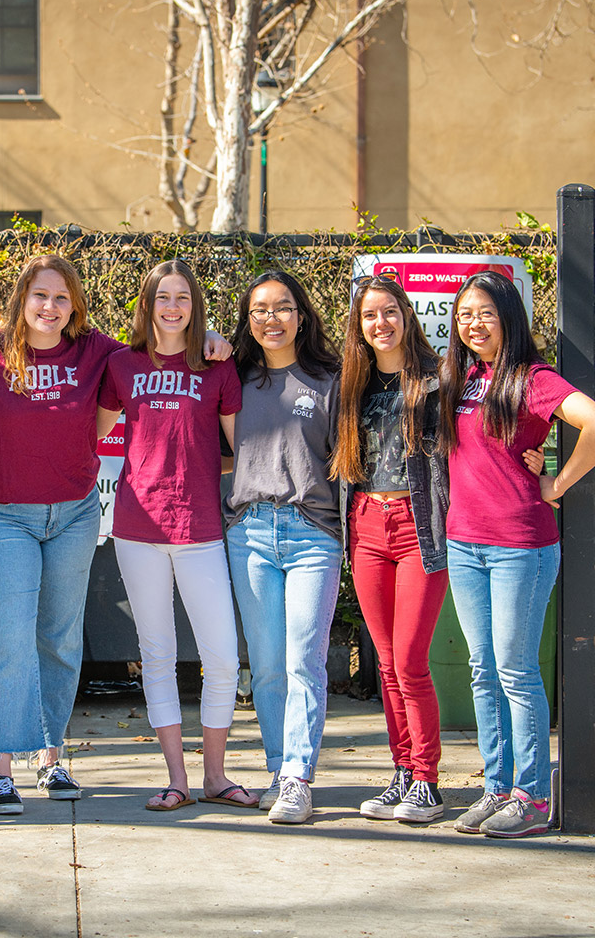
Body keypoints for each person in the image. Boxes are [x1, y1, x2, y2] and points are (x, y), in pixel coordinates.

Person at [0, 253, 231, 815]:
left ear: (75, 304)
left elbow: (161, 344)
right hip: (6, 514)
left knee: (59, 638)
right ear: (20, 300)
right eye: (39, 296)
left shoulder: (99, 351)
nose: (49, 308)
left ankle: (51, 759)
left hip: (76, 513)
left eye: (60, 298)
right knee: (9, 638)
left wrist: (216, 336)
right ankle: (1, 768)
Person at [96, 260, 256, 811]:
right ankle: (176, 779)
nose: (172, 307)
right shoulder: (121, 364)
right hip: (136, 527)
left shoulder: (217, 366)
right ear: (148, 305)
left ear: (195, 305)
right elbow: (91, 432)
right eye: (162, 297)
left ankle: (216, 775)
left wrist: (197, 469)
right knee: (157, 655)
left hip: (200, 525)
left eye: (182, 297)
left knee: (222, 657)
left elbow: (242, 453)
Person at [440, 270, 595, 838]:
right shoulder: (465, 377)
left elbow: (592, 420)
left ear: (508, 315)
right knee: (484, 672)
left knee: (515, 672)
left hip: (519, 548)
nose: (472, 324)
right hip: (465, 543)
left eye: (483, 312)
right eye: (464, 315)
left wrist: (558, 483)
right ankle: (496, 787)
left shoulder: (533, 378)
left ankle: (531, 797)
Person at [330, 274, 450, 823]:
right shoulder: (351, 386)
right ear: (359, 326)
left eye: (389, 312)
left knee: (409, 661)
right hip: (367, 526)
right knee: (383, 661)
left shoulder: (435, 379)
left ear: (406, 314)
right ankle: (402, 773)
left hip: (419, 524)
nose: (381, 323)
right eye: (369, 315)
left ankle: (427, 778)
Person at [224, 271, 342, 824]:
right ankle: (278, 770)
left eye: (283, 307)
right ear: (248, 321)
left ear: (302, 314)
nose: (272, 319)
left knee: (303, 661)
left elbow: (349, 461)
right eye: (260, 311)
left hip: (312, 533)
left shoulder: (330, 379)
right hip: (248, 533)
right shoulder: (234, 380)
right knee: (268, 666)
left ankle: (298, 776)